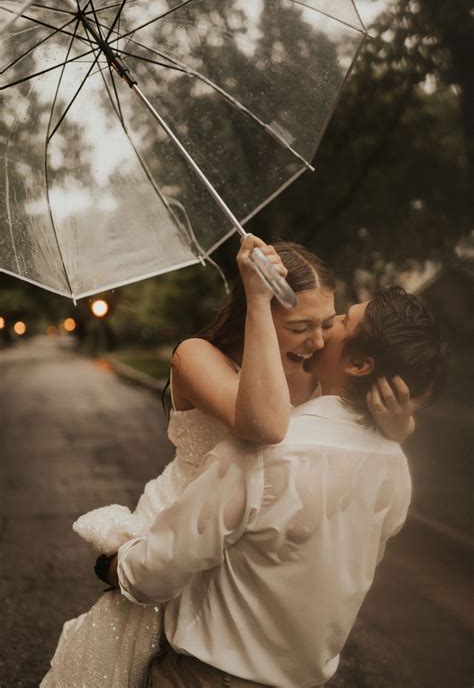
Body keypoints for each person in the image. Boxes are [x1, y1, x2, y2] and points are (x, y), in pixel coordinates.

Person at [41, 238, 415, 688]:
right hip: (178, 532)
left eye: (326, 323)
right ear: (256, 313)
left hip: (247, 541)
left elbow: (333, 437)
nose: (317, 342)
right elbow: (263, 426)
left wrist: (394, 430)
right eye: (300, 326)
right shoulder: (196, 356)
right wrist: (258, 298)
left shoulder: (310, 369)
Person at [115, 286, 445, 688]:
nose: (326, 328)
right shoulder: (395, 465)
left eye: (341, 321)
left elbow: (159, 570)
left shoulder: (265, 450)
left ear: (359, 364)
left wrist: (116, 564)